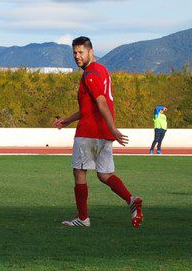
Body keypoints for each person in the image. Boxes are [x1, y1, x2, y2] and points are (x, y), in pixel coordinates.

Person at [53, 36, 143, 227]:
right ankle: (131, 199)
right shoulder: (102, 70)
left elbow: (101, 101)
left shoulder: (90, 74)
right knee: (104, 175)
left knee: (79, 172)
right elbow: (91, 106)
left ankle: (83, 218)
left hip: (89, 132)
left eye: (80, 52)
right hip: (103, 134)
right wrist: (67, 120)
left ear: (90, 52)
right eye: (74, 53)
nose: (77, 56)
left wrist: (113, 127)